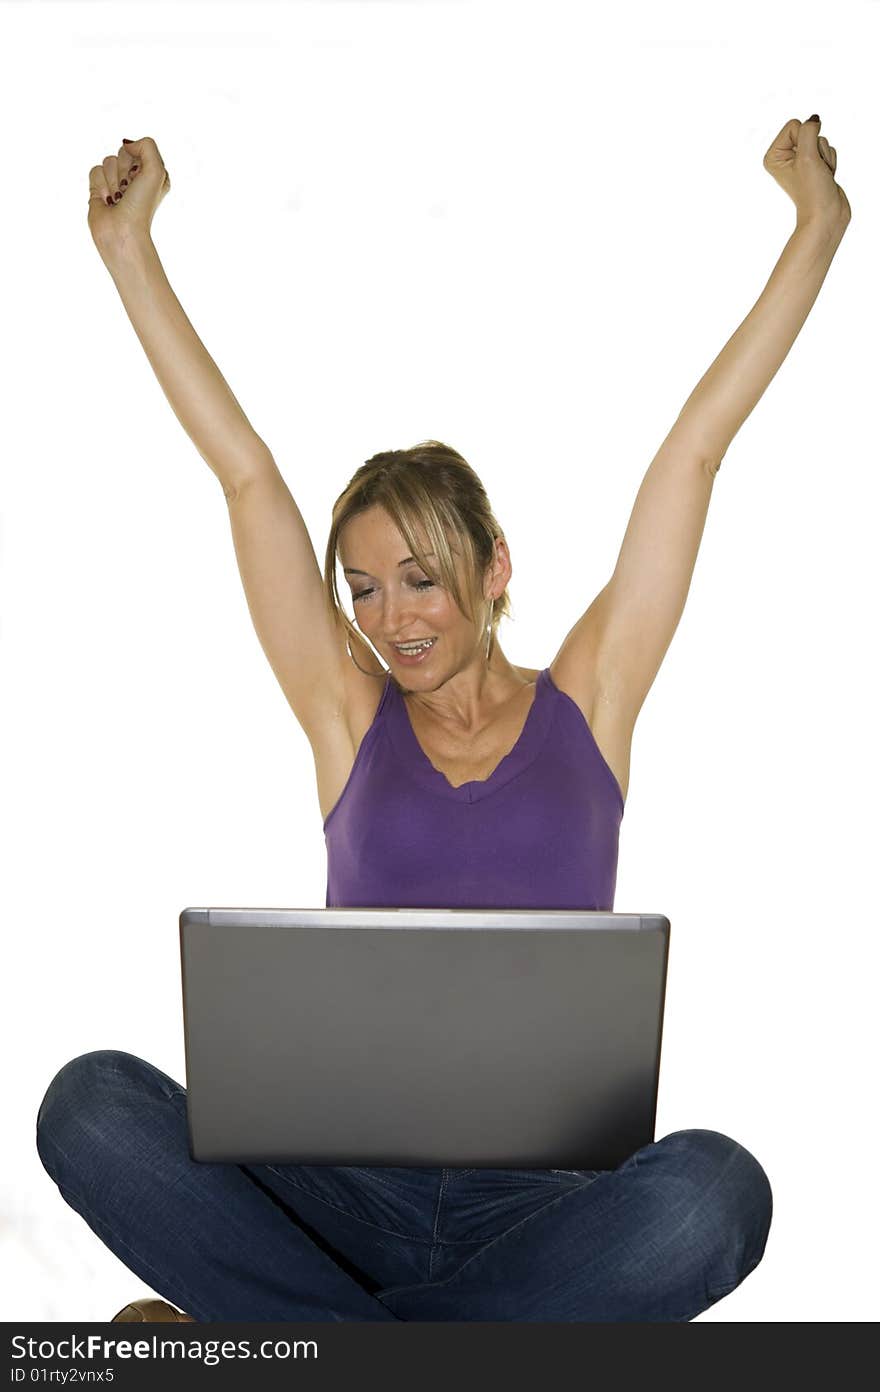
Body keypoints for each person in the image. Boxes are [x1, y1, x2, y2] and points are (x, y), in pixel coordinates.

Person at [36, 122, 849, 1321]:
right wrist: (128, 253)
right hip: (338, 1184)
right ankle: (438, 1346)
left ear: (494, 564)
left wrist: (816, 230)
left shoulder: (589, 702)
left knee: (713, 1195)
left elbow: (695, 453)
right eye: (360, 588)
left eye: (417, 577)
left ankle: (288, 1337)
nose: (390, 618)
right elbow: (249, 476)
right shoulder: (347, 720)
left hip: (544, 1206)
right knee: (89, 1104)